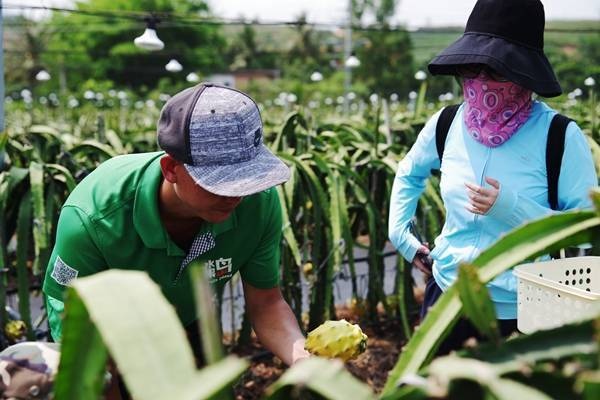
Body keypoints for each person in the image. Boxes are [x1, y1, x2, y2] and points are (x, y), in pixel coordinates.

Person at [42, 84, 309, 368]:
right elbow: (76, 331)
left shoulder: (259, 203)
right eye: (221, 183)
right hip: (99, 332)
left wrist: (305, 359)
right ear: (171, 169)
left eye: (247, 178)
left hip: (188, 321)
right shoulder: (93, 215)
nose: (237, 195)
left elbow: (267, 304)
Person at [388, 0, 597, 354]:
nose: (482, 82)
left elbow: (589, 230)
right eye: (473, 68)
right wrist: (401, 236)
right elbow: (408, 173)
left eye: (497, 72)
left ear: (523, 75)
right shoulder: (446, 123)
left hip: (526, 309)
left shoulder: (560, 137)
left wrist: (511, 208)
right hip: (447, 298)